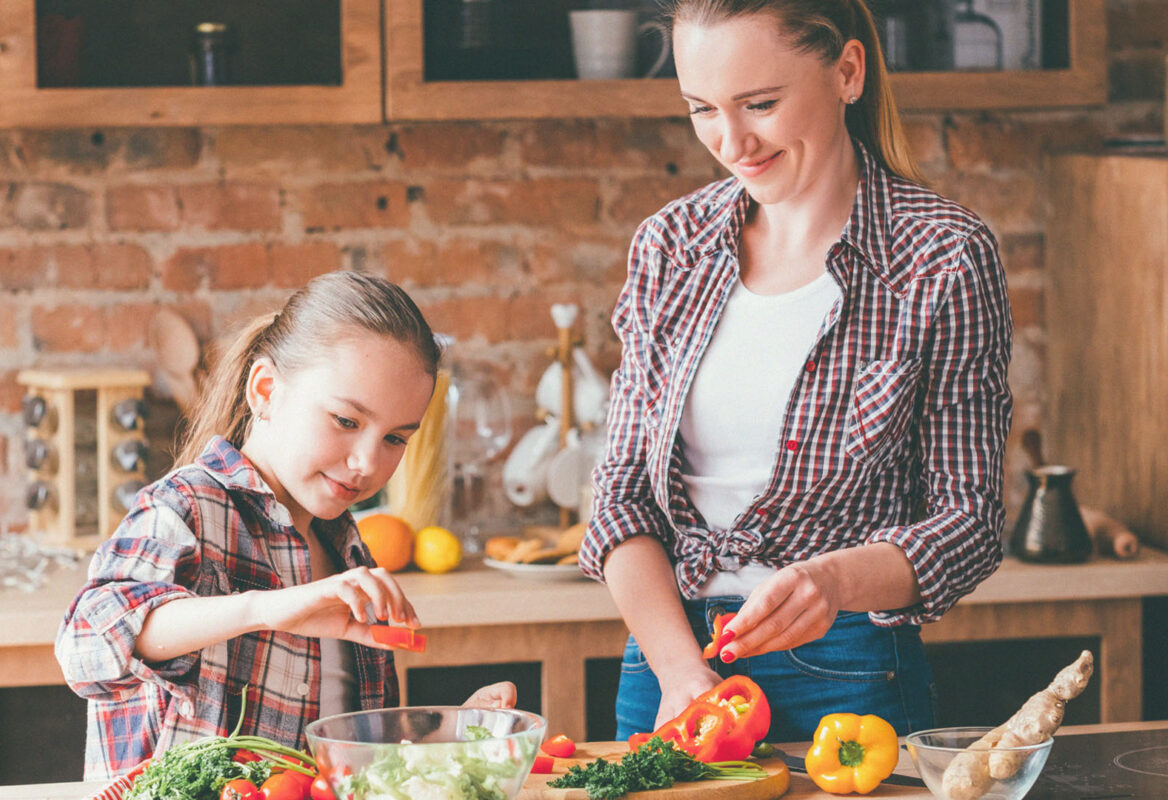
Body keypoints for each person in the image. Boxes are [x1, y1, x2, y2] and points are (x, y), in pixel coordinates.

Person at [580, 0, 1013, 743]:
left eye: (761, 104)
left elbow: (967, 521)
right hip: (666, 657)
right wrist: (682, 670)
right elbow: (619, 498)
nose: (732, 140)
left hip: (847, 663)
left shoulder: (942, 257)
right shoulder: (669, 246)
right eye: (702, 109)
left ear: (847, 71)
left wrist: (831, 580)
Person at [56, 271, 515, 780]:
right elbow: (84, 647)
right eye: (346, 421)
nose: (367, 463)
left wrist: (448, 736)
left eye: (395, 439)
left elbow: (341, 763)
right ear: (267, 390)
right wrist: (267, 608)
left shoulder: (345, 545)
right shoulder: (187, 507)